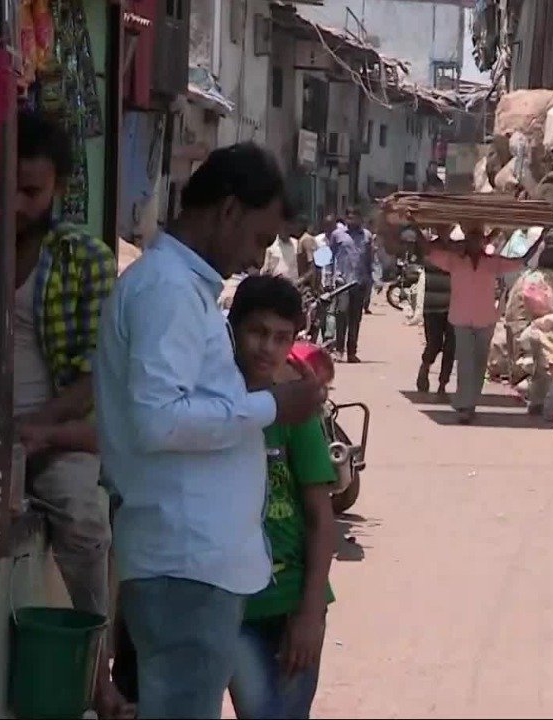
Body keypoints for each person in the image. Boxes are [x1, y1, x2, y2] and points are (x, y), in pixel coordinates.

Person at [93, 142, 324, 719]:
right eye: (258, 240)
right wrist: (270, 408)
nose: (255, 258)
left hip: (196, 565)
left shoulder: (182, 289)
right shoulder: (168, 290)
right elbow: (158, 418)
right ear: (227, 211)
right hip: (183, 564)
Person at [8, 109, 128, 718]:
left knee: (87, 523)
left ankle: (97, 676)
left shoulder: (83, 256)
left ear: (58, 189)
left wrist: (40, 431)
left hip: (51, 431)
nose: (19, 203)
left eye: (33, 191)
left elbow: (93, 372)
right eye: (11, 186)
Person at [226, 275, 337, 720]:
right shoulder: (215, 408)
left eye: (281, 337)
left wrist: (310, 613)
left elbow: (320, 519)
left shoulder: (295, 411)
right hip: (231, 604)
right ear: (232, 329)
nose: (266, 348)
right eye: (256, 332)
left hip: (290, 599)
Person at [425, 224, 534, 424]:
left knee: (479, 363)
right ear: (467, 243)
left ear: (483, 243)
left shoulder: (492, 263)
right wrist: (415, 227)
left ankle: (470, 403)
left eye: (478, 240)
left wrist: (542, 237)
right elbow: (428, 251)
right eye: (471, 240)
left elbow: (521, 261)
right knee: (465, 362)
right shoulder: (455, 261)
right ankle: (463, 405)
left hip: (485, 319)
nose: (475, 244)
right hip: (461, 319)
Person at [329, 208, 375, 362]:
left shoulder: (367, 236)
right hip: (342, 282)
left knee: (355, 318)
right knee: (341, 314)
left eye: (355, 217)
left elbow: (370, 259)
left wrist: (371, 280)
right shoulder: (337, 235)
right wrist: (327, 278)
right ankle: (339, 350)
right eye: (349, 217)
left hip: (359, 282)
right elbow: (329, 256)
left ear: (360, 218)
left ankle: (352, 352)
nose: (352, 220)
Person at [416, 239, 455, 398]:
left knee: (451, 347)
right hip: (432, 307)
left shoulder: (457, 249)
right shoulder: (430, 249)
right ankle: (425, 367)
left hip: (453, 307)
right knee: (434, 344)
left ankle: (442, 384)